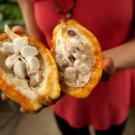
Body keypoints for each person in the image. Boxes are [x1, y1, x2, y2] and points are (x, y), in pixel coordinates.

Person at [2, 0, 135, 135]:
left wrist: (96, 62)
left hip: (113, 93)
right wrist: (30, 53)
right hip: (62, 95)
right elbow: (39, 42)